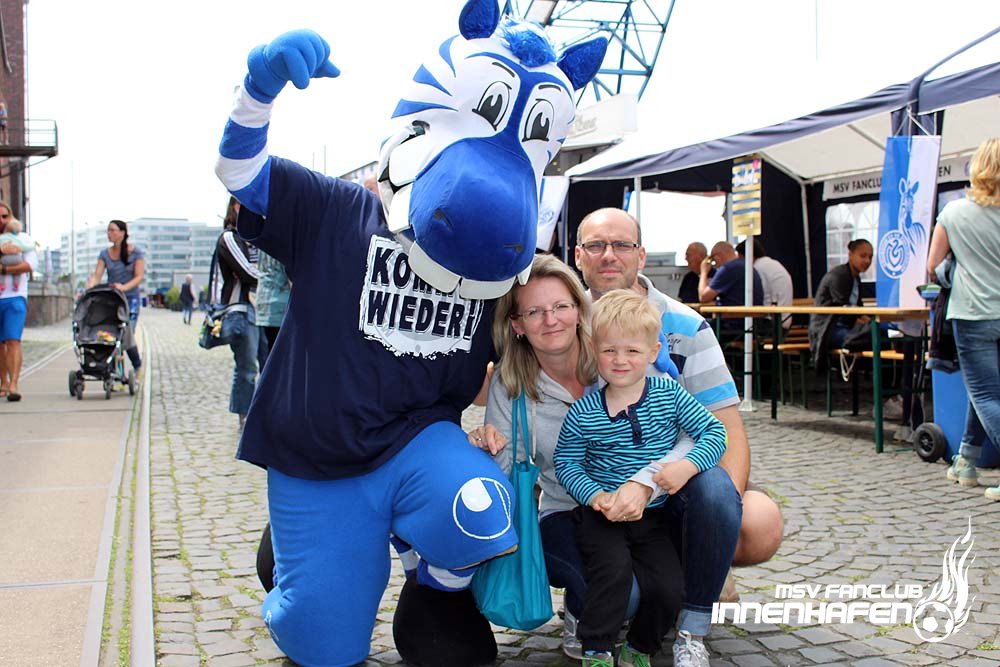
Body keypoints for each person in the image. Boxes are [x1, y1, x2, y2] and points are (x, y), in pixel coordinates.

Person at [214, 19, 607, 666]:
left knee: (483, 508)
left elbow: (541, 325)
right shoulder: (339, 210)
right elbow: (241, 172)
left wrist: (616, 358)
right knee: (325, 648)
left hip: (419, 445)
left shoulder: (492, 267)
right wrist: (259, 87)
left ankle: (430, 587)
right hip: (322, 455)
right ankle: (305, 562)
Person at [553, 289, 727, 667]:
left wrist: (687, 466)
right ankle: (596, 649)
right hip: (602, 517)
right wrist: (595, 496)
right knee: (612, 573)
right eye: (610, 350)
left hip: (653, 518)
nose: (620, 360)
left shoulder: (669, 394)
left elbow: (714, 432)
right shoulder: (584, 412)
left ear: (653, 351)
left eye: (632, 350)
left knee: (668, 586)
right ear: (594, 350)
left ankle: (641, 647)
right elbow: (566, 463)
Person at [928, 137, 1000, 501]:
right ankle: (966, 461)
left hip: (973, 313)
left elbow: (932, 266)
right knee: (983, 390)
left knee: (984, 392)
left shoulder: (954, 212)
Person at [216, 197, 259, 430]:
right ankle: (245, 415)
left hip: (264, 308)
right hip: (242, 308)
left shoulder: (258, 236)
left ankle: (262, 414)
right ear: (237, 207)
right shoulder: (230, 238)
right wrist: (268, 277)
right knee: (246, 367)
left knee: (268, 364)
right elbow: (247, 271)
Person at [85, 219, 144, 371]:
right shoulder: (105, 254)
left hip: (130, 298)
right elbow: (97, 275)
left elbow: (139, 276)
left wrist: (124, 287)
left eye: (112, 230)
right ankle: (115, 370)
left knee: (127, 333)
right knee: (113, 333)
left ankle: (137, 365)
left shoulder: (136, 253)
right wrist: (91, 286)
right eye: (108, 230)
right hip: (113, 299)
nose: (109, 233)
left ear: (122, 233)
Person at [807, 239, 873, 372]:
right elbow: (843, 310)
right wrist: (862, 319)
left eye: (870, 257)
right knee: (870, 338)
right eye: (863, 256)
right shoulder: (839, 275)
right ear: (850, 255)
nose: (867, 261)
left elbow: (858, 310)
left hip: (847, 327)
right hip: (828, 329)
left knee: (878, 335)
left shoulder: (856, 278)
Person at [0, 206, 36, 401]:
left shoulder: (23, 239)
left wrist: (4, 269)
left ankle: (13, 385)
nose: (1, 220)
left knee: (13, 340)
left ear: (11, 217)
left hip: (15, 296)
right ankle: (4, 382)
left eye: (4, 216)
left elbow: (30, 265)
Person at [698, 241, 764, 334]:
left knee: (695, 326)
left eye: (713, 260)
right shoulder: (745, 266)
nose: (714, 264)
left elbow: (703, 297)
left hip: (732, 325)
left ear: (719, 256)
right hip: (751, 324)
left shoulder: (728, 268)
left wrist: (704, 271)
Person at [736, 238, 793, 328]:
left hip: (771, 322)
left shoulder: (757, 268)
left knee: (734, 324)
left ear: (749, 255)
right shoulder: (772, 263)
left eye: (740, 258)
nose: (739, 262)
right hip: (785, 319)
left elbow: (755, 295)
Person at [254, 249, 290, 366]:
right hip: (282, 306)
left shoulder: (263, 243)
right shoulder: (285, 243)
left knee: (268, 361)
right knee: (283, 362)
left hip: (263, 304)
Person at [0, 217, 33, 295]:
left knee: (2, 272)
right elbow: (25, 247)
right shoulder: (18, 239)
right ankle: (16, 284)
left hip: (5, 259)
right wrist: (33, 246)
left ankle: (2, 285)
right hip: (17, 259)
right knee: (18, 271)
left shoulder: (2, 237)